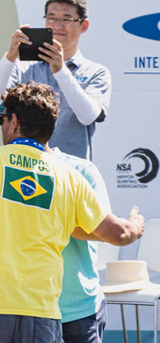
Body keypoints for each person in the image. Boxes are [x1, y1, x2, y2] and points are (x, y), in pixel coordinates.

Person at [0, 83, 145, 342]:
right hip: (41, 316)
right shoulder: (70, 178)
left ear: (13, 122)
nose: (2, 126)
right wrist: (136, 224)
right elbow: (118, 233)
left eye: (2, 119)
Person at [0, 0, 110, 160]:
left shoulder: (96, 72)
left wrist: (60, 70)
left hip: (71, 174)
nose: (57, 26)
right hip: (24, 168)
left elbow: (88, 116)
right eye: (51, 18)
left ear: (84, 25)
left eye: (67, 19)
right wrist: (10, 56)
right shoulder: (23, 67)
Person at [50, 144, 112, 343]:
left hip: (76, 310)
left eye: (3, 119)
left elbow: (103, 231)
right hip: (23, 310)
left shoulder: (82, 170)